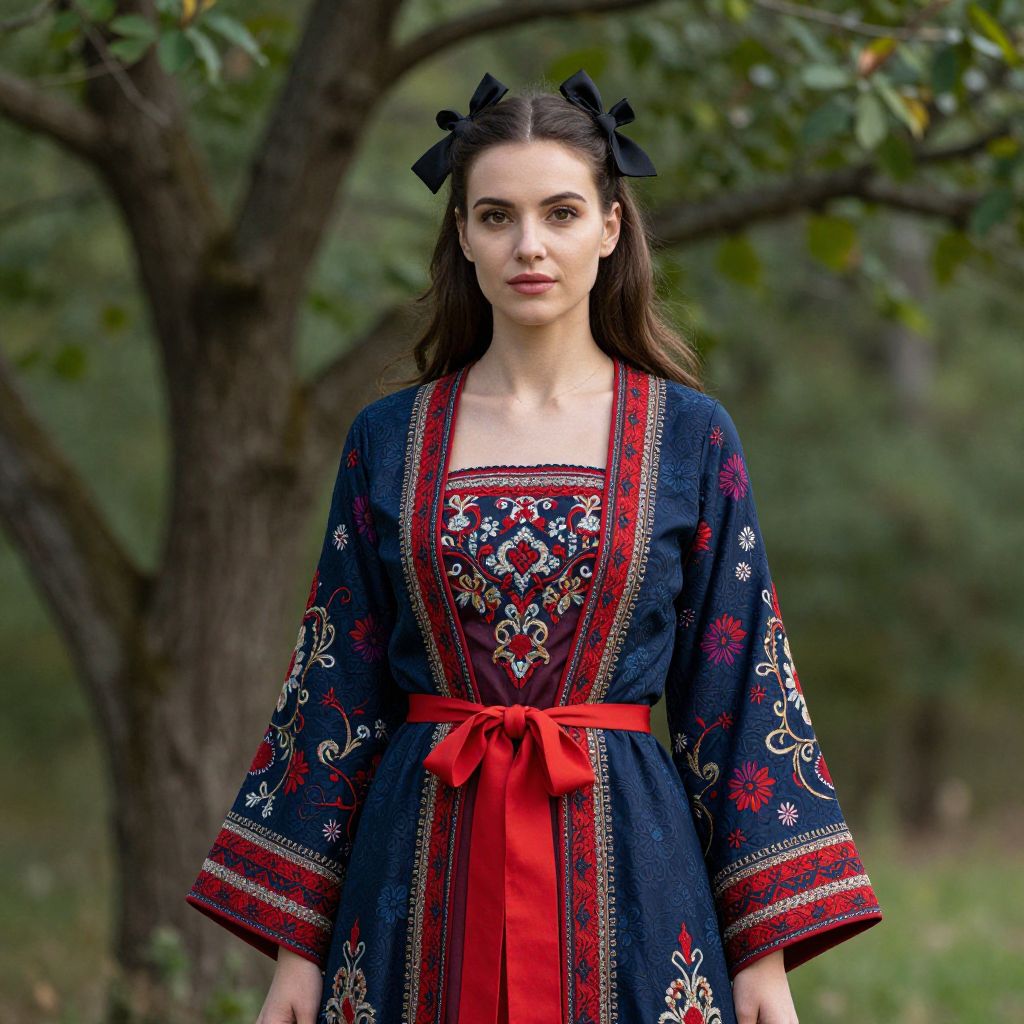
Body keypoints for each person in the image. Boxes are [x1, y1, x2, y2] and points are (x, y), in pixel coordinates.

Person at [185, 69, 883, 1024]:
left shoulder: (690, 436)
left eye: (559, 213)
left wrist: (763, 957)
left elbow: (739, 681)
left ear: (610, 227)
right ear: (463, 237)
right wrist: (296, 950)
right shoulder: (388, 439)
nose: (529, 246)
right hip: (417, 867)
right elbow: (335, 682)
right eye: (496, 216)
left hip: (637, 877)